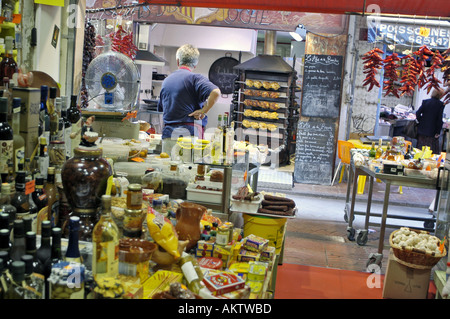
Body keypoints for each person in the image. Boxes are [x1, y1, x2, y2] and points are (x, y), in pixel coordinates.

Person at [157, 44, 221, 154]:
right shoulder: (195, 79)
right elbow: (216, 92)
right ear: (195, 64)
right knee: (191, 169)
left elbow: (162, 108)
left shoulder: (166, 81)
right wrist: (203, 111)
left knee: (167, 168)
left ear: (178, 61)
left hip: (168, 135)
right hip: (189, 136)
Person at [415, 87, 445, 154]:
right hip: (432, 131)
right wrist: (438, 132)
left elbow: (417, 113)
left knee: (420, 150)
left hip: (422, 129)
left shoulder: (425, 102)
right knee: (430, 151)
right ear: (440, 95)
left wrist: (421, 121)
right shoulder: (440, 104)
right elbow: (439, 119)